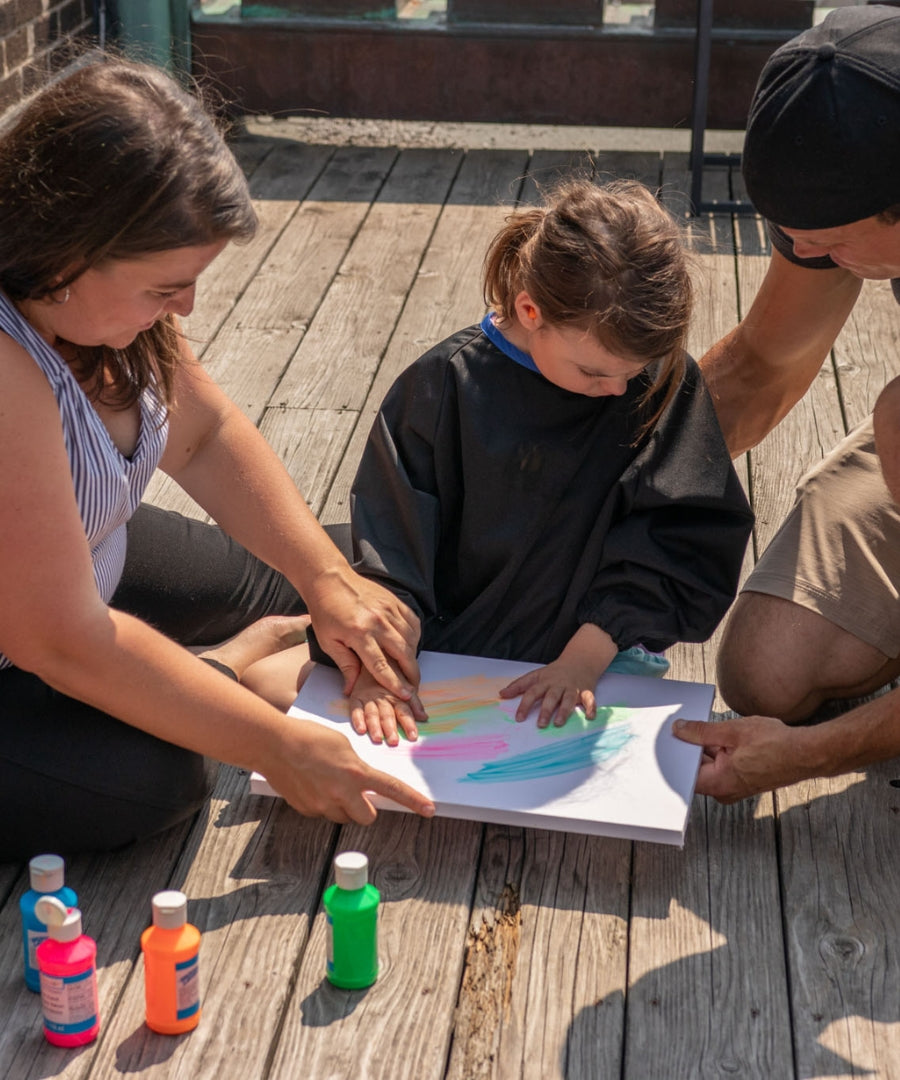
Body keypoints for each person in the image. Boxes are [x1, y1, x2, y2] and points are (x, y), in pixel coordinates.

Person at [0, 56, 436, 862]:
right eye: (166, 287)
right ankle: (226, 668)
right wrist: (275, 745)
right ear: (67, 253)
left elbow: (201, 437)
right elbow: (60, 641)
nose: (188, 307)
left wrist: (327, 584)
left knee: (342, 567)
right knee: (155, 780)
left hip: (81, 560)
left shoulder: (108, 318)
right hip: (34, 636)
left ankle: (218, 667)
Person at [260, 178, 753, 744]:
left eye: (633, 371)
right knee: (267, 691)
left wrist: (582, 662)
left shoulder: (663, 376)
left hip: (596, 648)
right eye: (594, 372)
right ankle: (268, 637)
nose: (619, 391)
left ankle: (287, 630)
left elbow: (679, 538)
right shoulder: (447, 382)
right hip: (451, 639)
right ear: (530, 309)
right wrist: (380, 670)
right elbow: (395, 549)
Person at [672, 4, 900, 803]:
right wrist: (590, 488)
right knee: (765, 671)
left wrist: (810, 755)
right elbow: (766, 363)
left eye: (829, 244)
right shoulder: (863, 137)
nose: (809, 259)